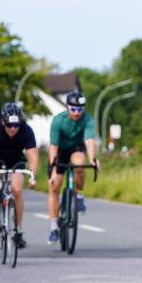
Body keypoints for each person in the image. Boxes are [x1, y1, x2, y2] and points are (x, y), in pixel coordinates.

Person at [0, 103, 38, 248]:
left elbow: (33, 157)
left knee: (17, 189)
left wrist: (32, 175)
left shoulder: (26, 130)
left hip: (16, 161)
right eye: (9, 125)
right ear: (3, 121)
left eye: (16, 125)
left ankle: (18, 231)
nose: (13, 128)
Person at [46, 91, 98, 244]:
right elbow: (53, 146)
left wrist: (93, 159)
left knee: (80, 163)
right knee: (54, 186)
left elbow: (89, 141)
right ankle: (54, 227)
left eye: (80, 109)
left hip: (76, 148)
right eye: (73, 109)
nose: (77, 113)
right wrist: (53, 169)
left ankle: (79, 195)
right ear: (67, 107)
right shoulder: (58, 121)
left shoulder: (88, 120)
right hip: (59, 151)